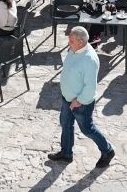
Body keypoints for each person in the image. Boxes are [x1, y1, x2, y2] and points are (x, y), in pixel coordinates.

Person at [46, 26, 115, 169]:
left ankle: (108, 151)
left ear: (81, 42)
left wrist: (78, 101)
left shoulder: (89, 60)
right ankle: (66, 153)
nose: (68, 43)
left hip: (81, 103)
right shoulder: (74, 49)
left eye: (71, 41)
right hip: (67, 98)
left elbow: (90, 87)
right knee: (65, 124)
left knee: (87, 129)